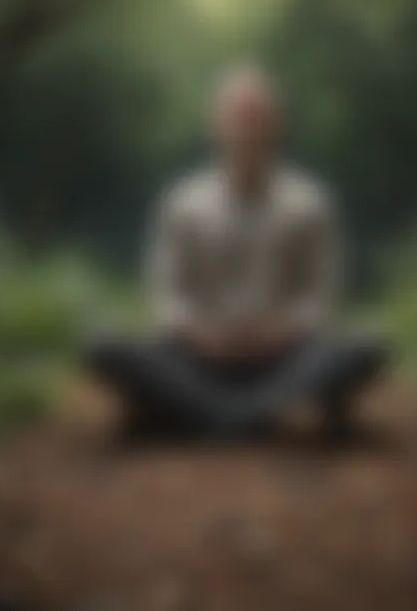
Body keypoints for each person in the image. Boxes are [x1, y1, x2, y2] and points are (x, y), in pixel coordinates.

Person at [85, 65, 388, 441]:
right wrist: (204, 336)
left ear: (277, 125)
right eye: (236, 118)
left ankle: (203, 416)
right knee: (101, 344)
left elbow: (321, 298)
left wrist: (276, 333)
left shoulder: (311, 204)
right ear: (214, 125)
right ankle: (254, 416)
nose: (246, 131)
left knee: (366, 345)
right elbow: (166, 297)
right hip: (199, 357)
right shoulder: (181, 203)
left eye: (257, 119)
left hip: (283, 356)